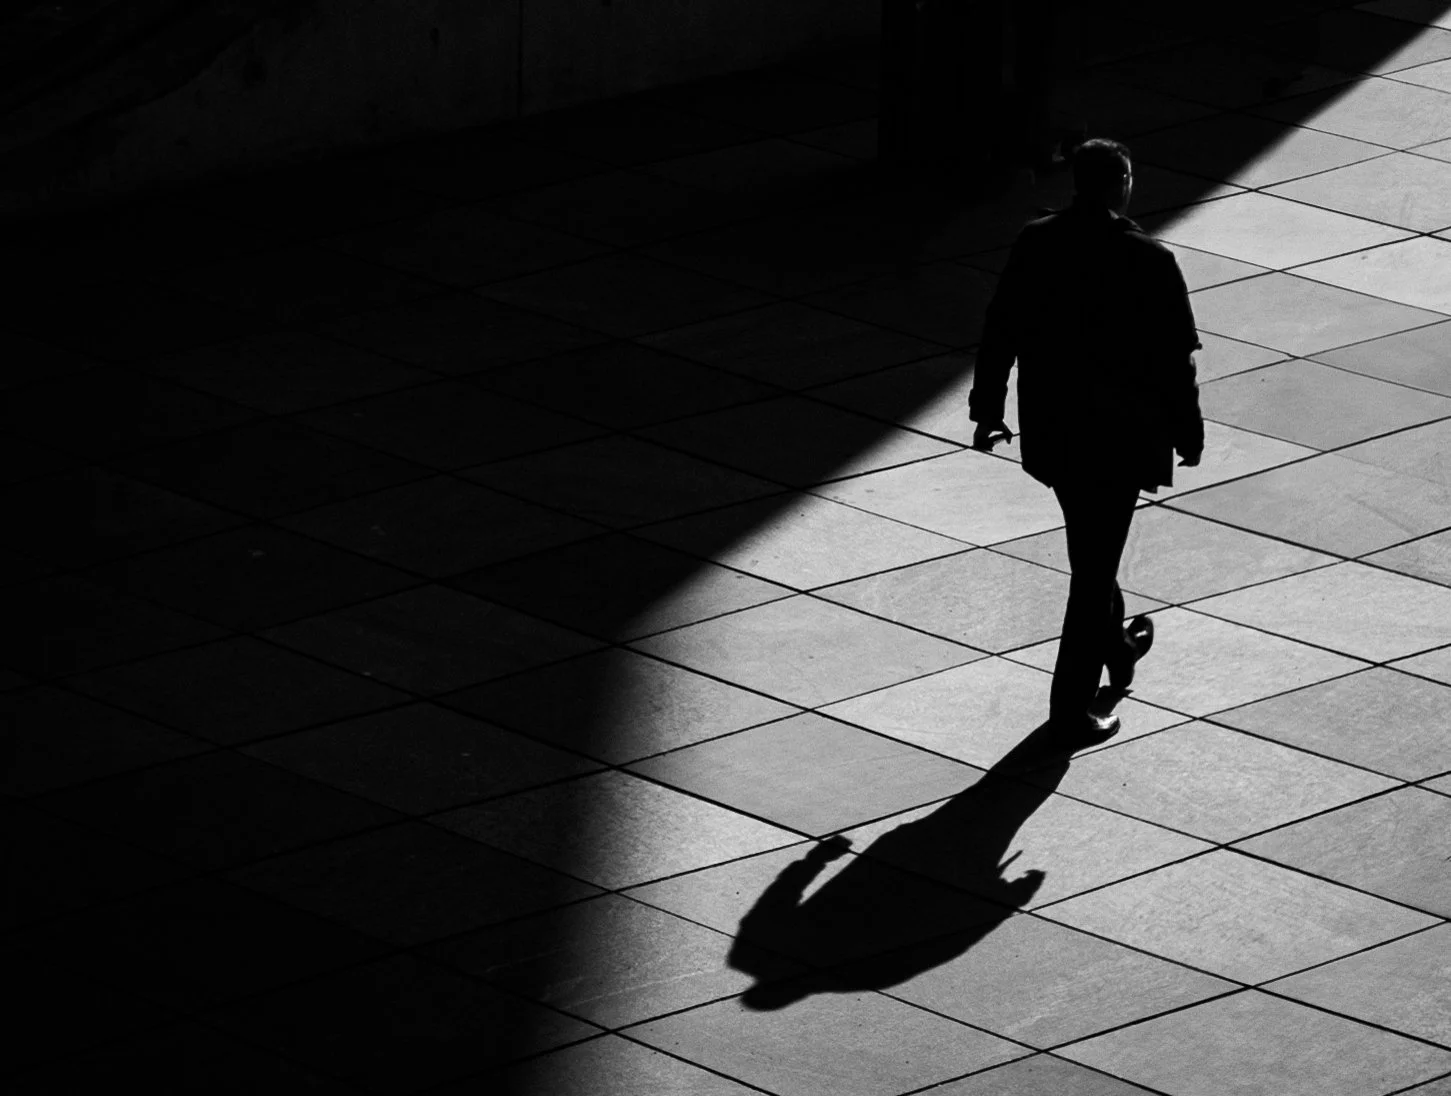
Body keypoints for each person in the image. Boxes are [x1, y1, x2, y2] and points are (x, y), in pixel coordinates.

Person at [968, 138, 1204, 742]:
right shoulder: (1150, 259)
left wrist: (987, 406)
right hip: (1122, 439)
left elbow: (1001, 331)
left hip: (1057, 432)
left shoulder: (1036, 242)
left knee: (1091, 554)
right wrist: (1188, 430)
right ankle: (1071, 711)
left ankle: (1119, 647)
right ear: (1123, 182)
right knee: (1092, 571)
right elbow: (1176, 361)